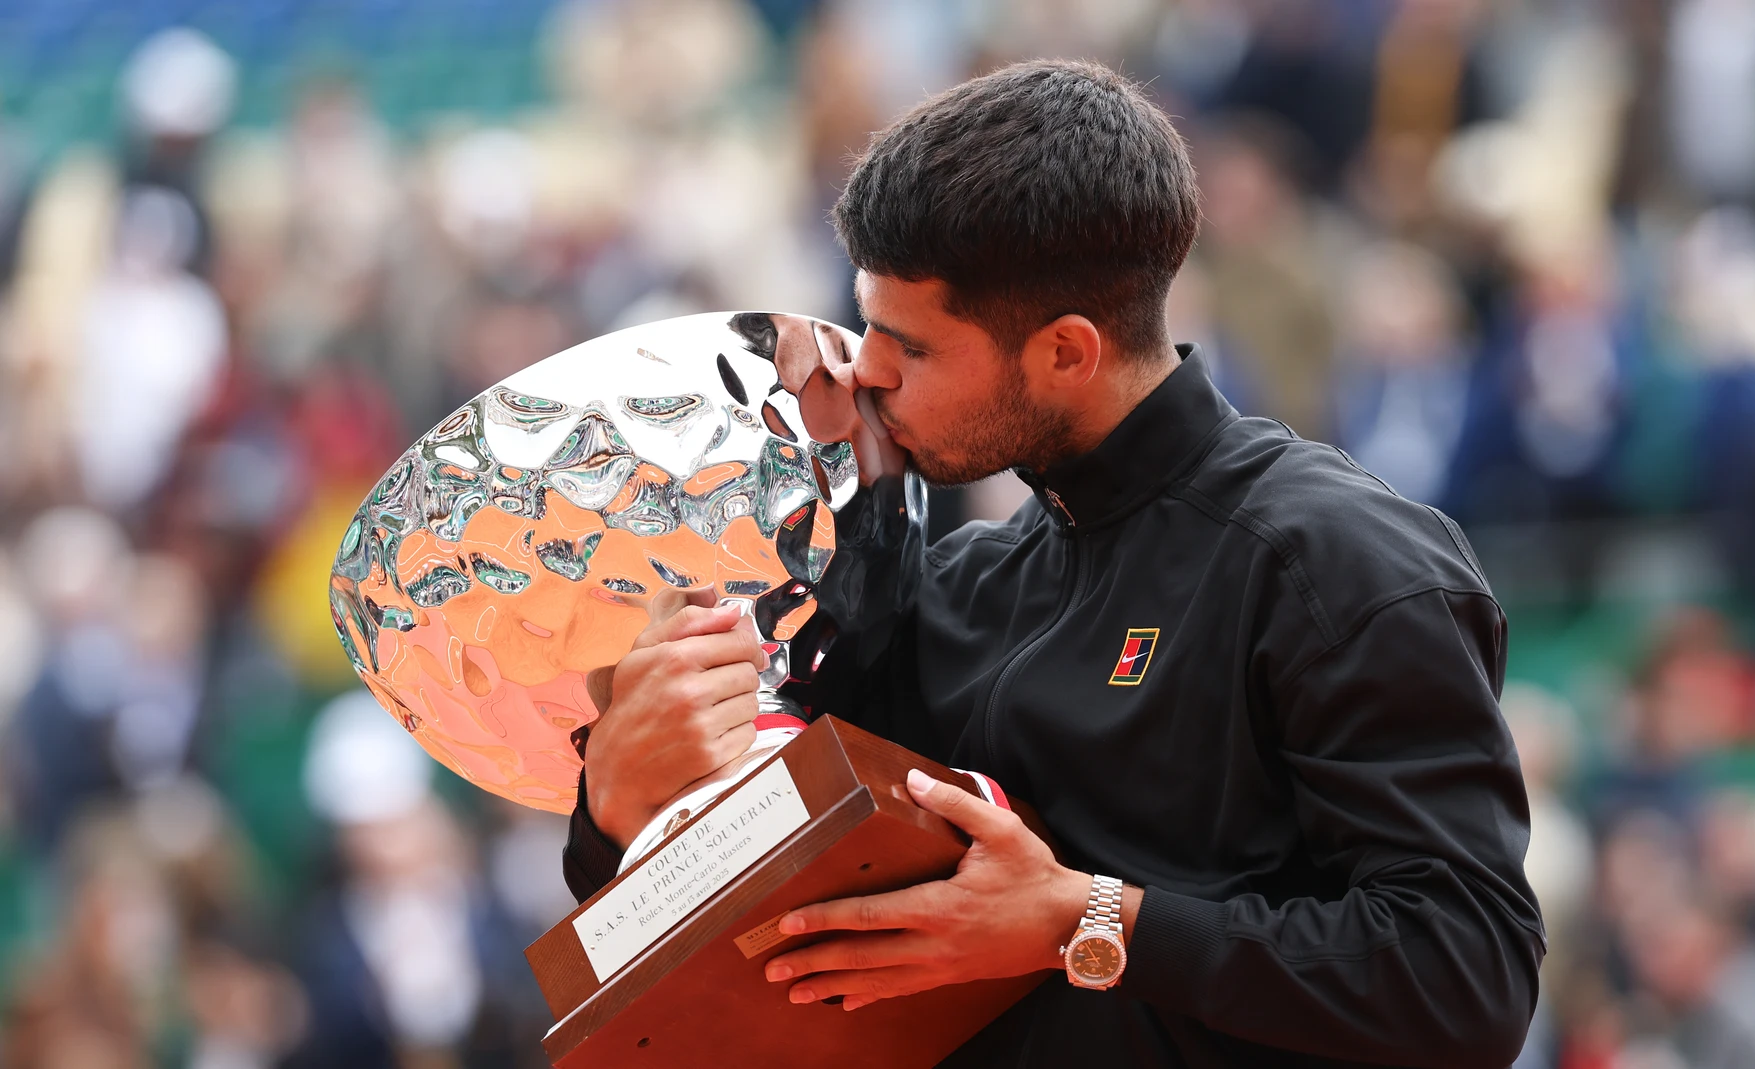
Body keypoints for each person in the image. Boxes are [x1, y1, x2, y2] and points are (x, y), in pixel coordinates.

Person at [564, 59, 1544, 1068]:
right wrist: (620, 810)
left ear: (1067, 351)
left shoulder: (1336, 559)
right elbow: (701, 951)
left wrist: (1084, 920)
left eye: (911, 347)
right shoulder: (951, 585)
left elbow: (1467, 977)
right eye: (866, 324)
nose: (866, 370)